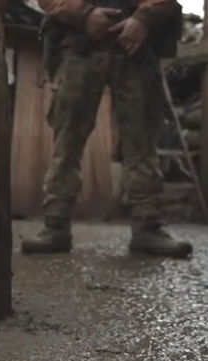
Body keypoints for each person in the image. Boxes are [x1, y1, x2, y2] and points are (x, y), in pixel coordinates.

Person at [22, 0, 193, 258]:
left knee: (142, 139)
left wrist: (144, 19)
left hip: (135, 47)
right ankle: (55, 223)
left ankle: (147, 226)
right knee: (67, 139)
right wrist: (84, 14)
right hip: (80, 45)